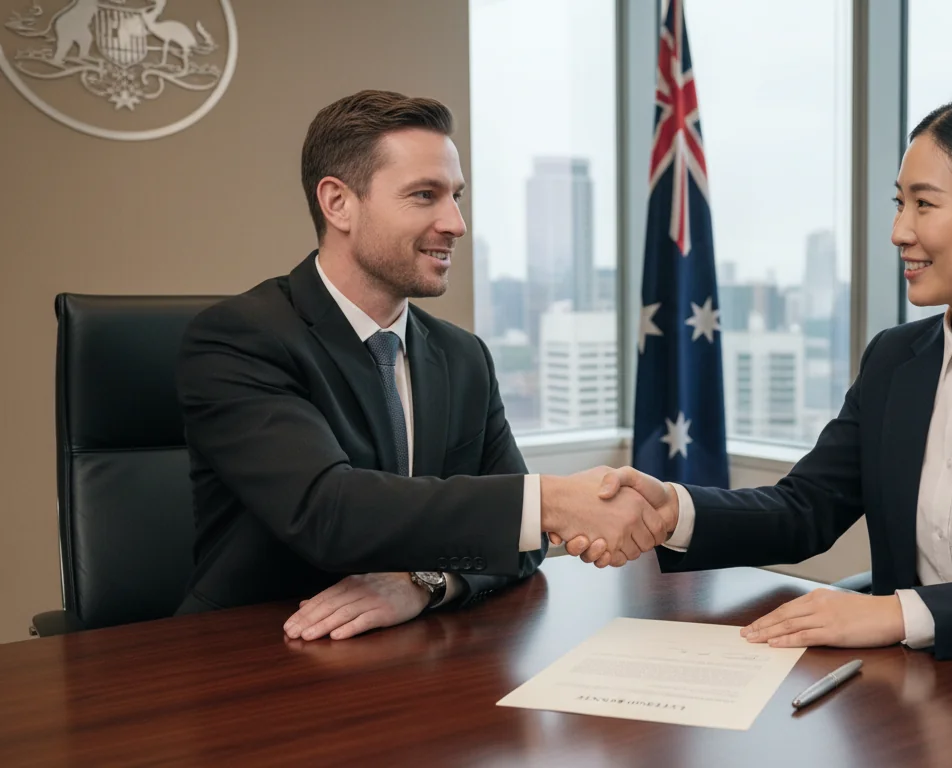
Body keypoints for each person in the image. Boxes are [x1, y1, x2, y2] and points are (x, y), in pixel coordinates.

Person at [566, 90, 952, 661]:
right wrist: (672, 509)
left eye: (925, 204)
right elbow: (806, 507)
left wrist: (899, 615)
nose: (899, 232)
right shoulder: (895, 360)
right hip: (929, 691)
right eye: (899, 202)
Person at [177, 90, 669, 641]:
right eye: (424, 195)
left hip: (411, 659)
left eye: (456, 196)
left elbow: (523, 543)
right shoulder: (240, 338)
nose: (456, 223)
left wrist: (425, 583)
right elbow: (328, 511)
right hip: (254, 655)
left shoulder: (464, 358)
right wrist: (550, 498)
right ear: (338, 203)